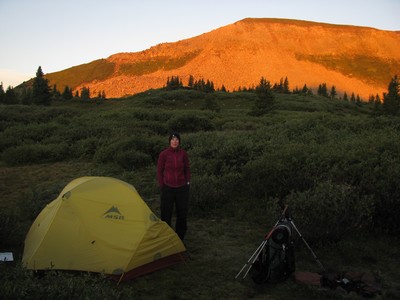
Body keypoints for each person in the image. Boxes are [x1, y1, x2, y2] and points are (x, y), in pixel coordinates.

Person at [157, 132, 190, 241]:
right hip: (168, 188)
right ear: (169, 141)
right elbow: (159, 171)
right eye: (172, 139)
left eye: (176, 140)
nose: (174, 141)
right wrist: (162, 185)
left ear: (179, 142)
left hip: (181, 188)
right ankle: (166, 237)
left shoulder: (183, 154)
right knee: (166, 214)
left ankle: (180, 238)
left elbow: (187, 168)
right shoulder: (164, 154)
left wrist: (187, 182)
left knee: (182, 214)